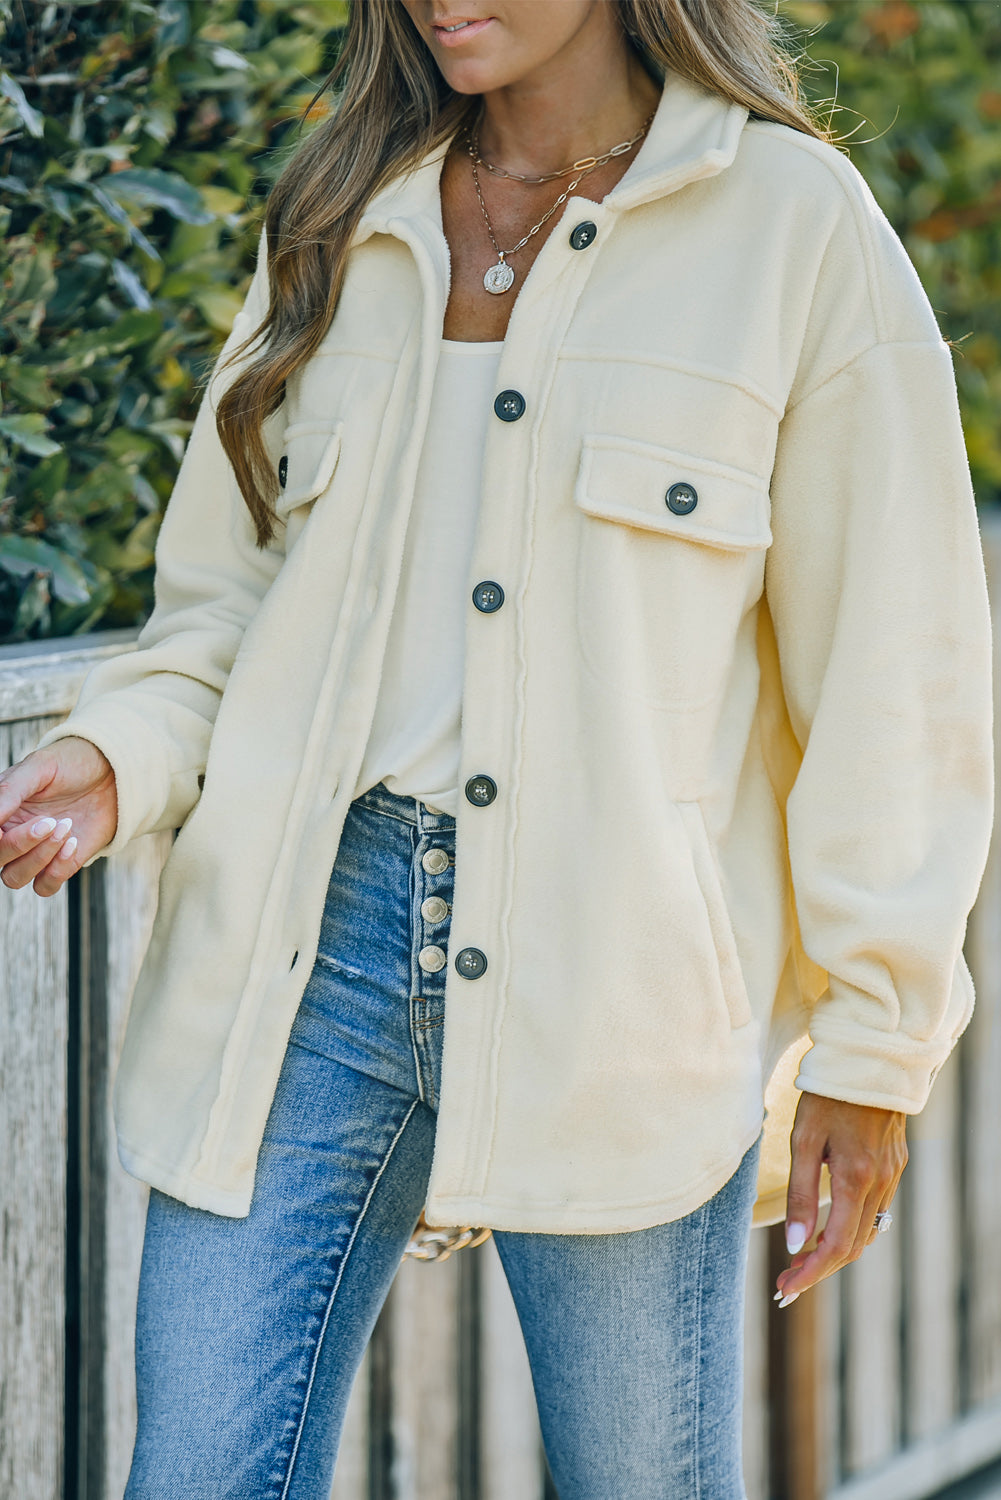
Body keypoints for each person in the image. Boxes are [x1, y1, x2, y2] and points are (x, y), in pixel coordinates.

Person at [0, 2, 992, 1495]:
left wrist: (877, 1046)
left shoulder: (795, 227)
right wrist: (116, 757)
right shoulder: (338, 215)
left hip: (622, 983)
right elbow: (225, 610)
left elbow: (892, 669)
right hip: (302, 953)